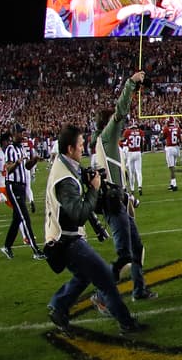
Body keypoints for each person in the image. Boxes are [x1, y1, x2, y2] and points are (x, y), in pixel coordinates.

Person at [45, 125, 146, 335]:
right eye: (81, 145)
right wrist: (94, 189)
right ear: (71, 148)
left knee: (83, 276)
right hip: (67, 241)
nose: (83, 149)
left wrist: (97, 224)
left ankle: (58, 306)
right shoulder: (65, 180)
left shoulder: (64, 165)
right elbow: (78, 213)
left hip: (61, 237)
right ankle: (127, 323)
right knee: (105, 278)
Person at [90, 71, 155, 300]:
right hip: (112, 203)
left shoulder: (103, 143)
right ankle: (101, 294)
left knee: (136, 249)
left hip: (118, 200)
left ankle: (139, 290)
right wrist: (131, 83)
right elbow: (120, 112)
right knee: (125, 256)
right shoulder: (107, 139)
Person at [1, 130, 43, 260]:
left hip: (21, 186)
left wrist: (34, 160)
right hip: (13, 185)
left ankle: (7, 246)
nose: (22, 134)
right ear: (14, 134)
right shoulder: (10, 149)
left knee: (17, 218)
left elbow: (27, 167)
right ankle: (36, 250)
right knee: (25, 217)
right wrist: (17, 163)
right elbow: (8, 168)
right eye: (20, 133)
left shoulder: (22, 148)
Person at [123, 122, 145, 196]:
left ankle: (132, 189)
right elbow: (142, 142)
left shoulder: (128, 131)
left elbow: (123, 139)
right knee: (138, 171)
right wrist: (142, 151)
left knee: (131, 172)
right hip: (138, 152)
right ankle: (139, 187)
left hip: (130, 153)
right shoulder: (140, 132)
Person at [162, 117, 181, 191]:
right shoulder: (177, 128)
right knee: (173, 167)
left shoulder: (166, 129)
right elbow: (180, 139)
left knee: (171, 168)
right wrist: (181, 149)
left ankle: (174, 184)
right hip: (176, 148)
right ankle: (172, 184)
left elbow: (162, 137)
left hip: (170, 148)